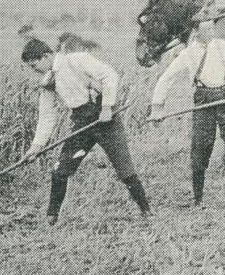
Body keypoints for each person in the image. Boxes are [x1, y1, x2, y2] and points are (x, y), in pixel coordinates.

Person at [22, 34, 151, 225]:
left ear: (46, 56)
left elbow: (109, 75)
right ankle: (51, 217)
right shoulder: (47, 82)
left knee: (124, 168)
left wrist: (107, 107)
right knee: (60, 169)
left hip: (106, 118)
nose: (34, 71)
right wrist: (36, 147)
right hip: (81, 123)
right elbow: (47, 117)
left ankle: (147, 211)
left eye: (34, 65)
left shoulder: (76, 60)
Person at [149, 10, 225, 205]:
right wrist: (157, 108)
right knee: (200, 149)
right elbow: (166, 79)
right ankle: (198, 200)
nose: (211, 32)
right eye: (207, 29)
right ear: (196, 32)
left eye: (213, 27)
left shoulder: (222, 47)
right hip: (204, 102)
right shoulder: (188, 54)